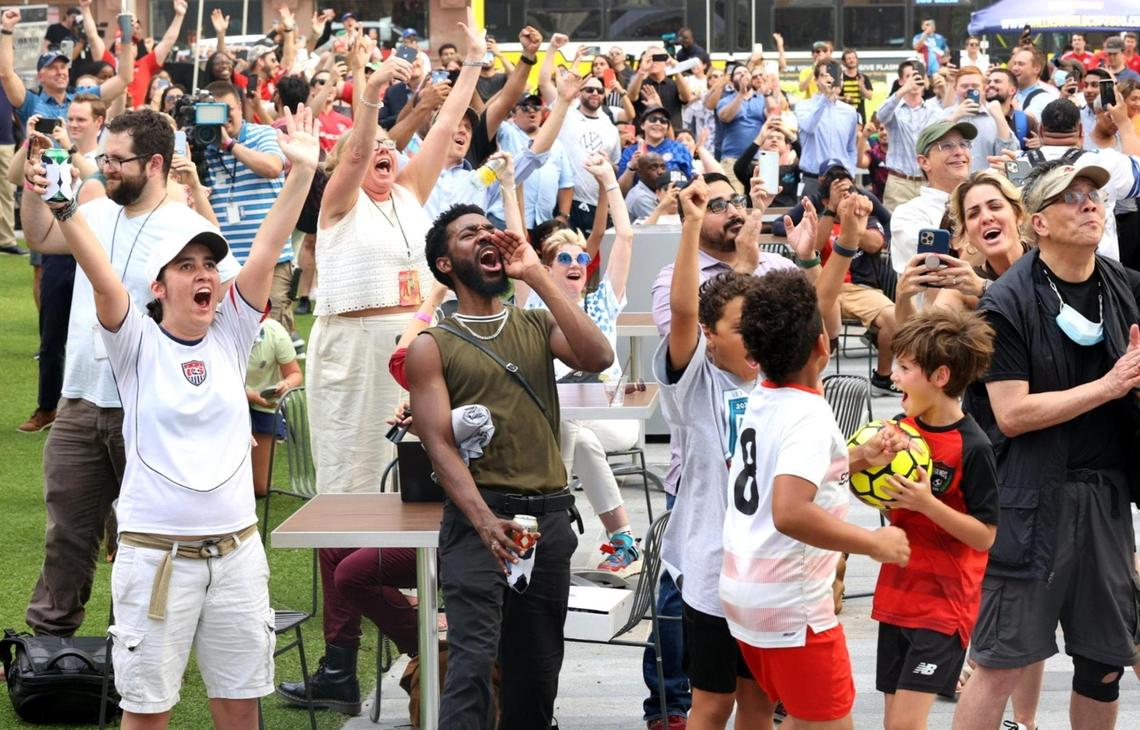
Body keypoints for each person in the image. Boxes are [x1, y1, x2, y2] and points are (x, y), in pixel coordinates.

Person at [24, 103, 316, 727]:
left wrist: (301, 174)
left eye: (209, 265)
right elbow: (103, 281)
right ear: (159, 288)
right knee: (148, 711)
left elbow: (266, 247)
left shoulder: (235, 332)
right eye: (187, 267)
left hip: (237, 556)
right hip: (157, 560)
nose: (204, 275)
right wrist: (64, 207)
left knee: (240, 705)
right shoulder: (135, 343)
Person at [407, 202, 612, 729]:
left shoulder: (537, 324)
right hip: (481, 524)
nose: (485, 236)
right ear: (445, 263)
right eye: (467, 233)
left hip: (546, 522)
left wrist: (538, 275)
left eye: (488, 229)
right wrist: (481, 522)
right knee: (472, 667)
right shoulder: (432, 345)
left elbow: (598, 357)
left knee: (536, 673)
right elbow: (438, 445)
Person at [953, 159, 1140, 730]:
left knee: (1105, 663)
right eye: (1072, 197)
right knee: (1000, 663)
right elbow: (1011, 415)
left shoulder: (1124, 285)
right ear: (1039, 222)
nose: (1089, 204)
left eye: (1094, 196)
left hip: (1105, 500)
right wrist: (1110, 387)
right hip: (1029, 503)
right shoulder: (1006, 302)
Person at [646, 172, 818, 729]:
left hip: (768, 563)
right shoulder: (696, 378)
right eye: (737, 325)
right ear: (710, 335)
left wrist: (820, 256)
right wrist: (692, 222)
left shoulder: (778, 381)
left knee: (760, 700)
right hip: (712, 566)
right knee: (712, 701)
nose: (750, 334)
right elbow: (681, 314)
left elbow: (819, 321)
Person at [723, 258, 911, 728]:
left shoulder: (762, 395)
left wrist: (859, 458)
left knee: (781, 714)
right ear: (823, 346)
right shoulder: (809, 415)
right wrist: (874, 544)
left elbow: (780, 473)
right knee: (825, 721)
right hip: (792, 604)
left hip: (747, 593)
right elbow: (789, 511)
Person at [307, 19, 480, 495]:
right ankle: (350, 566)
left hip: (418, 344)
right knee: (355, 467)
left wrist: (473, 63)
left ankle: (411, 568)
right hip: (355, 348)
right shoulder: (339, 202)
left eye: (391, 145)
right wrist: (374, 90)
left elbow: (444, 125)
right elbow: (359, 151)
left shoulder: (407, 191)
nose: (384, 149)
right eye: (373, 147)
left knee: (418, 464)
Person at [872, 308, 1000, 729]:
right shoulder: (898, 428)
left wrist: (929, 504)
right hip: (896, 594)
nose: (893, 375)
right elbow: (885, 503)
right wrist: (869, 468)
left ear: (940, 377)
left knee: (906, 724)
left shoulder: (973, 446)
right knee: (895, 723)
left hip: (944, 605)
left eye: (905, 368)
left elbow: (985, 537)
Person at [515, 154, 642, 575]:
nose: (575, 266)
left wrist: (608, 179)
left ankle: (542, 530)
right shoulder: (535, 303)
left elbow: (624, 237)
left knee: (573, 429)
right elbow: (517, 241)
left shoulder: (603, 302)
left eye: (580, 260)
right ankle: (623, 539)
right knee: (576, 436)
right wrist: (506, 185)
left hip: (611, 416)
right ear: (546, 271)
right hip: (556, 418)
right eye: (564, 261)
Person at [1013, 98, 1140, 263]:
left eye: (1092, 194)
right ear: (1081, 130)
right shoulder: (1106, 161)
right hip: (1100, 274)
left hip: (1035, 272)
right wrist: (1123, 124)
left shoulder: (1015, 164)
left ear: (1041, 130)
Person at [896, 171, 1028, 322]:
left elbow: (1047, 313)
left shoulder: (1046, 259)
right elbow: (921, 344)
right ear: (967, 233)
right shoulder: (964, 286)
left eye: (995, 207)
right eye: (973, 214)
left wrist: (984, 288)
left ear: (1018, 215)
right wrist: (902, 298)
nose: (986, 218)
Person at [815, 164, 899, 396]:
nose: (848, 197)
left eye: (850, 191)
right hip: (825, 287)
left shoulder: (867, 219)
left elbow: (875, 244)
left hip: (860, 289)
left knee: (894, 317)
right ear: (826, 201)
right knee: (810, 314)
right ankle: (811, 378)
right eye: (840, 193)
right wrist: (833, 210)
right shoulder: (824, 218)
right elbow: (814, 246)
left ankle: (883, 377)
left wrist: (852, 225)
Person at [889, 120, 976, 273]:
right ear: (924, 162)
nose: (959, 152)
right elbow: (943, 266)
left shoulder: (983, 202)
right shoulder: (908, 214)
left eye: (964, 144)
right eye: (947, 146)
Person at [245, 316, 302, 498]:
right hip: (223, 401)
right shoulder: (216, 327)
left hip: (263, 403)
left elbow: (294, 373)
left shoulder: (274, 331)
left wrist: (285, 384)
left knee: (260, 488)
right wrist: (249, 394)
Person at [557, 75, 621, 236]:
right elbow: (545, 85)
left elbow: (615, 166)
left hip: (596, 203)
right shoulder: (566, 115)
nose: (594, 93)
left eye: (599, 91)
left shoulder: (610, 128)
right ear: (579, 93)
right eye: (589, 89)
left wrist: (608, 164)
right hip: (566, 202)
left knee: (594, 258)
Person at [877, 60, 944, 211]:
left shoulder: (934, 110)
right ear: (901, 81)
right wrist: (903, 90)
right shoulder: (894, 109)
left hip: (927, 182)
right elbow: (880, 116)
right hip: (899, 183)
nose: (914, 81)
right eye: (909, 76)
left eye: (917, 76)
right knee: (895, 231)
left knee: (928, 230)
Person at [795, 60, 858, 199]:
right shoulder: (803, 106)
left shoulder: (850, 112)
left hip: (842, 180)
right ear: (816, 80)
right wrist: (825, 98)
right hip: (813, 180)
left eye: (836, 76)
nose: (831, 80)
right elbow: (809, 126)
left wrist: (851, 172)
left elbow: (851, 148)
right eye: (825, 76)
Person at [942, 66, 1019, 173]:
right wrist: (956, 116)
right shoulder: (944, 115)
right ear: (955, 89)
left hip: (986, 184)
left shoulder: (994, 116)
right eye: (964, 86)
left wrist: (1000, 118)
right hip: (952, 184)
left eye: (975, 86)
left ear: (983, 89)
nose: (970, 89)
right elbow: (929, 145)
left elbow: (1010, 153)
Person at [715, 65, 777, 194]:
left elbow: (774, 115)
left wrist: (767, 93)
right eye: (738, 73)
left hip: (759, 159)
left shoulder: (761, 99)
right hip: (732, 159)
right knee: (736, 200)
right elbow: (725, 117)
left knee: (762, 196)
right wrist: (740, 95)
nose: (743, 75)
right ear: (732, 81)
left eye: (745, 72)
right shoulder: (725, 100)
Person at [628, 46, 691, 132]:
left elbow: (686, 97)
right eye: (650, 59)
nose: (654, 62)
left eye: (658, 58)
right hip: (645, 135)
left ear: (665, 60)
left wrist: (676, 69)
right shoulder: (639, 83)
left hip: (672, 133)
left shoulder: (674, 84)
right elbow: (631, 97)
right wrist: (642, 70)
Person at [1009, 46, 1059, 122]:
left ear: (1037, 69)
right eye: (1014, 63)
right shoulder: (1009, 93)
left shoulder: (1044, 98)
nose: (1015, 68)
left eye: (1021, 64)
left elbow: (1024, 126)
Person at [839, 48, 873, 124]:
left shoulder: (863, 77)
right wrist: (843, 98)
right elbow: (833, 97)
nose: (852, 60)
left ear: (857, 60)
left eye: (854, 58)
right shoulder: (840, 77)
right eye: (849, 58)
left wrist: (861, 86)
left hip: (859, 118)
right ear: (844, 61)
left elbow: (870, 96)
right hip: (843, 117)